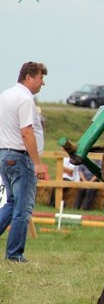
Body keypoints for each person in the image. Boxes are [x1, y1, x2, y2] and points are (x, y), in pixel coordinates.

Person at [0, 61, 48, 263]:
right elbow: (26, 132)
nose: (42, 83)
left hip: (4, 154)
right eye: (40, 78)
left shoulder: (5, 95)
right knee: (23, 207)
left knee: (11, 203)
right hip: (20, 157)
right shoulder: (26, 99)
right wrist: (37, 163)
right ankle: (14, 254)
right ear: (29, 77)